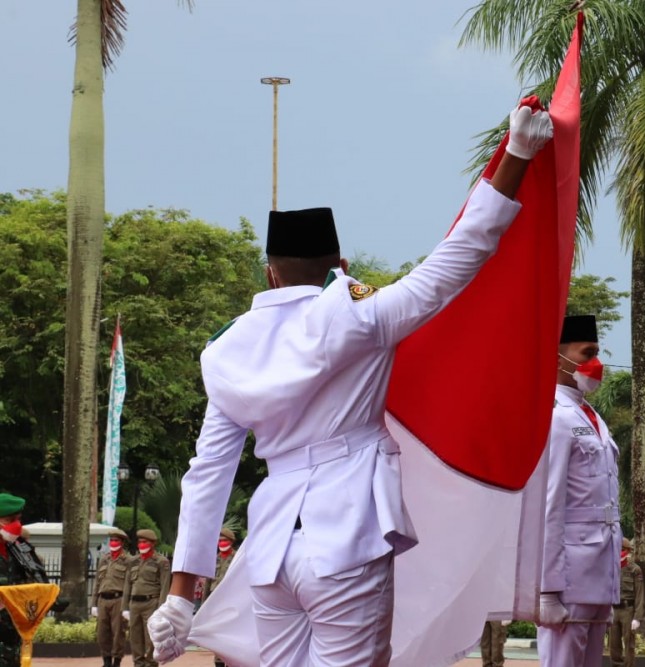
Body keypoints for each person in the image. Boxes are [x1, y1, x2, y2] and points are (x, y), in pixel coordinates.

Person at [147, 101, 553, 667]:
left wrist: (180, 595)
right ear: (339, 263)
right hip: (347, 536)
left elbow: (208, 475)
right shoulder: (362, 316)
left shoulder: (226, 353)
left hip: (270, 552)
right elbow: (459, 256)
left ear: (270, 271)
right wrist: (517, 155)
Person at [536, 314, 621, 667]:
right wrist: (546, 590)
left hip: (598, 570)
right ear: (558, 358)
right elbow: (548, 505)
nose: (595, 363)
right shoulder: (553, 415)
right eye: (587, 353)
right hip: (568, 573)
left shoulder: (591, 416)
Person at [0, 492, 49, 667]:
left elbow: (35, 578)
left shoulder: (20, 548)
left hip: (14, 626)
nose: (16, 525)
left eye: (18, 519)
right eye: (9, 520)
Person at [123, 529, 170, 667]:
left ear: (153, 543)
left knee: (151, 637)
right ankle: (138, 663)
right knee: (135, 637)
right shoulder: (133, 561)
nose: (141, 545)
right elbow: (127, 584)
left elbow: (165, 586)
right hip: (134, 603)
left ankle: (151, 663)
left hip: (151, 602)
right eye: (140, 542)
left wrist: (161, 609)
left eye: (145, 542)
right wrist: (124, 607)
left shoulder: (161, 562)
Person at [92, 528, 133, 667]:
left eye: (116, 540)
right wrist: (94, 604)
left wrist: (127, 605)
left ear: (122, 543)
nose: (113, 542)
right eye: (112, 540)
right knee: (102, 633)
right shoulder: (104, 559)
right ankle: (106, 661)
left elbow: (130, 584)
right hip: (103, 599)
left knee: (118, 634)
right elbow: (97, 582)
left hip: (118, 599)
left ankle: (116, 661)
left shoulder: (128, 560)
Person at [203, 528, 237, 667]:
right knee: (216, 635)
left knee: (230, 634)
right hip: (215, 601)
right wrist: (205, 604)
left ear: (231, 542)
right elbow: (207, 583)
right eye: (220, 541)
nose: (221, 543)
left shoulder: (237, 558)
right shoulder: (214, 558)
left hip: (231, 602)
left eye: (224, 540)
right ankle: (218, 661)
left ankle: (231, 661)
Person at [610, 537, 644, 667]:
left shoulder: (634, 570)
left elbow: (640, 594)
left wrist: (637, 617)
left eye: (623, 549)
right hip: (613, 610)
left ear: (628, 550)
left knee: (629, 643)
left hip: (627, 610)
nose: (620, 552)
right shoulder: (611, 568)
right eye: (617, 549)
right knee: (613, 644)